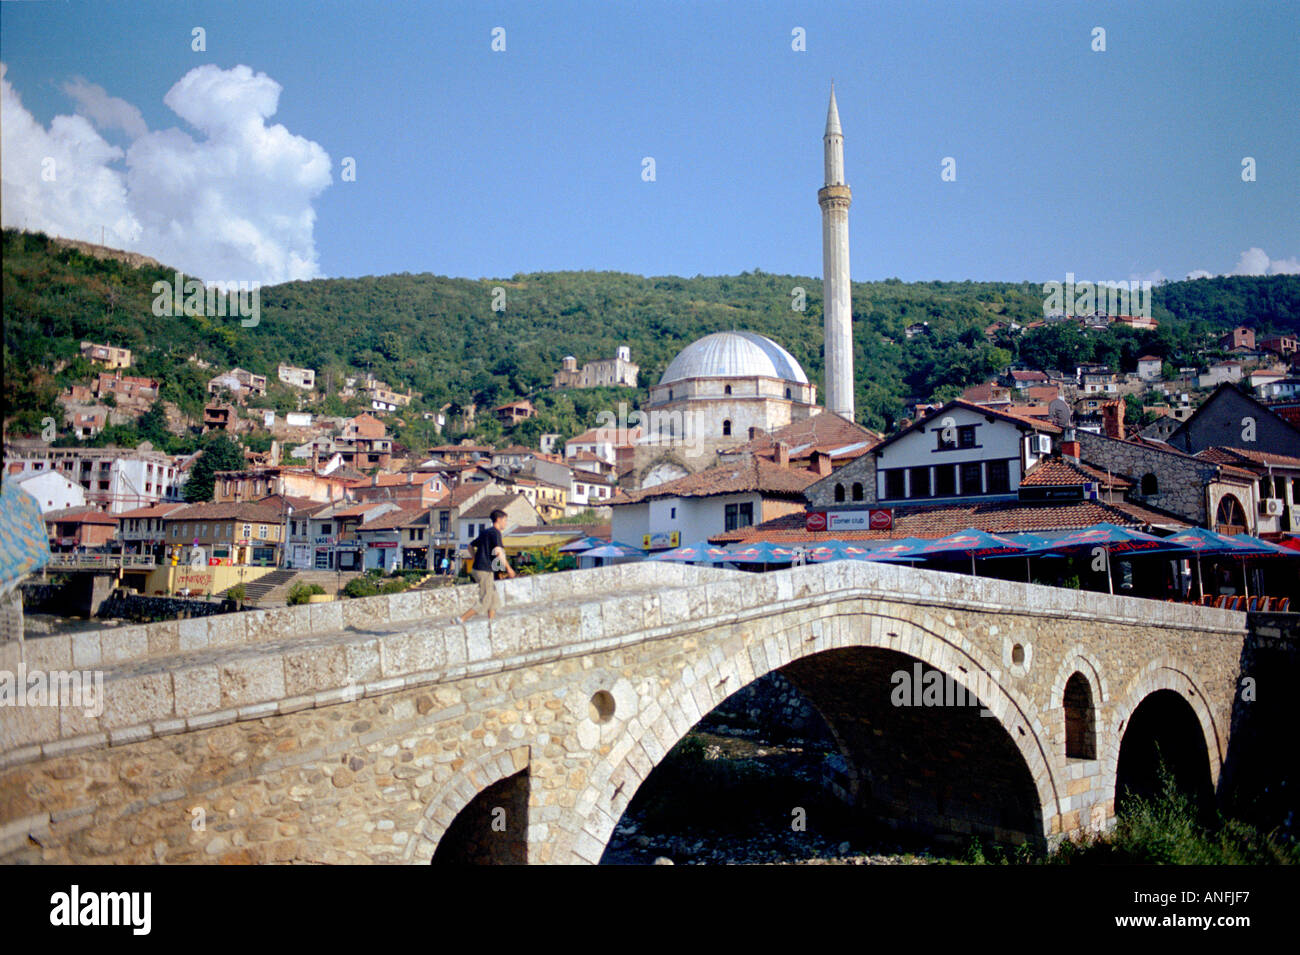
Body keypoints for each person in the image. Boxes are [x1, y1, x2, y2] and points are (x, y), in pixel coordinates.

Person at [455, 509, 515, 623]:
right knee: (485, 600)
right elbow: (498, 552)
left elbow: (469, 546)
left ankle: (490, 623)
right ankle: (460, 619)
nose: (506, 523)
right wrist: (509, 568)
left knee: (494, 599)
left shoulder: (485, 532)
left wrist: (475, 558)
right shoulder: (496, 533)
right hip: (485, 570)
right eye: (505, 520)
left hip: (479, 568)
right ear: (499, 520)